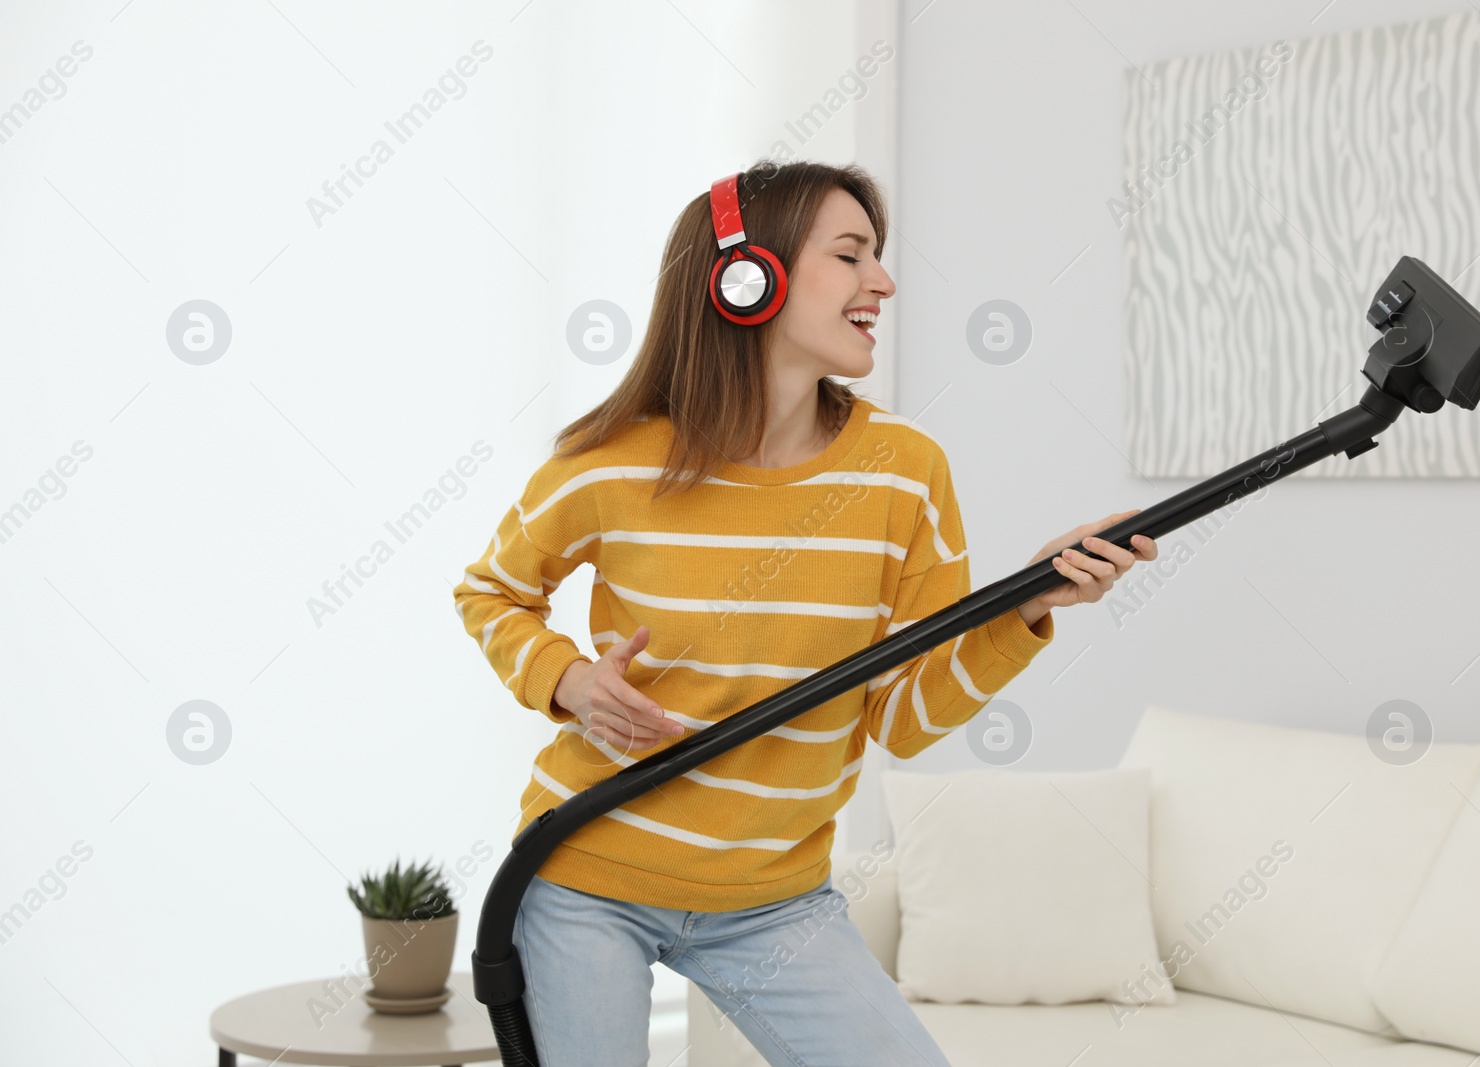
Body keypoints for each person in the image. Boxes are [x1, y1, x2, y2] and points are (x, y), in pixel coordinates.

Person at [451, 158, 1159, 1066]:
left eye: (879, 255)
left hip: (774, 901)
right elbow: (491, 590)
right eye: (851, 254)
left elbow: (899, 721)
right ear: (747, 279)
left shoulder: (905, 473)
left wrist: (1021, 612)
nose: (884, 281)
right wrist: (570, 682)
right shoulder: (612, 462)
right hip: (588, 873)